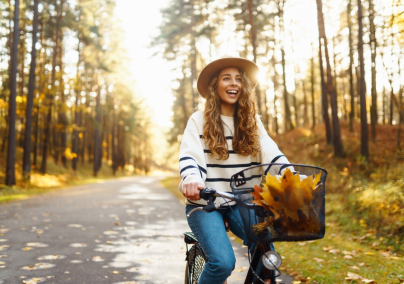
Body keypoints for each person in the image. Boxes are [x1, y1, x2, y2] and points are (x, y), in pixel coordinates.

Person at [178, 57, 290, 284]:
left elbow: (272, 155)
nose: (234, 83)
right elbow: (191, 156)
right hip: (206, 204)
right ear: (215, 85)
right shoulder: (199, 120)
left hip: (242, 202)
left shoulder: (252, 122)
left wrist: (291, 176)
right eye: (226, 78)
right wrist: (191, 178)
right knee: (222, 263)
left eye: (239, 79)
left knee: (265, 252)